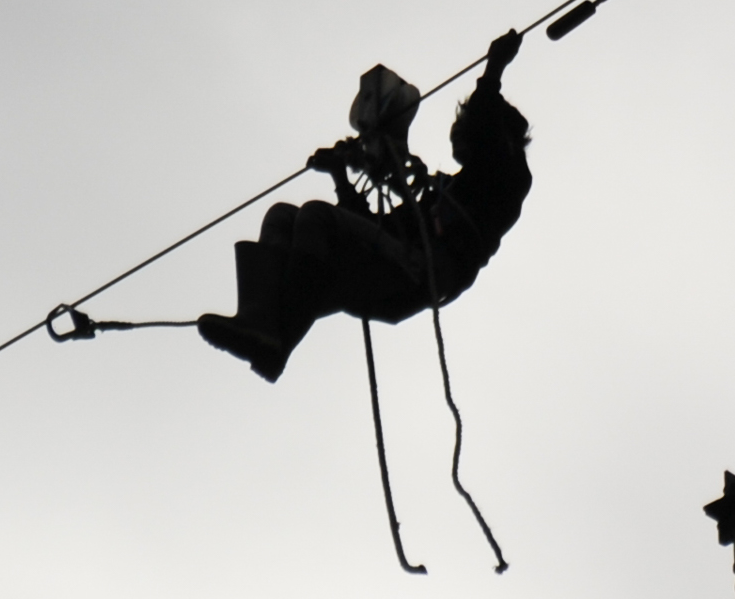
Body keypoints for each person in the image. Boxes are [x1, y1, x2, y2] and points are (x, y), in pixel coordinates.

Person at [197, 31, 531, 380]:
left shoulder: (508, 178)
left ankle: (275, 343)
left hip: (420, 275)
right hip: (386, 274)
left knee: (317, 215)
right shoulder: (443, 193)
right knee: (283, 216)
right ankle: (259, 323)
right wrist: (341, 175)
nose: (457, 132)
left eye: (464, 127)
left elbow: (486, 124)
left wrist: (494, 68)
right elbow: (374, 230)